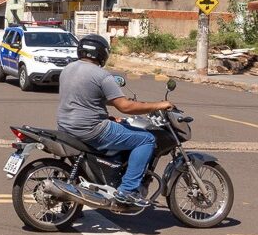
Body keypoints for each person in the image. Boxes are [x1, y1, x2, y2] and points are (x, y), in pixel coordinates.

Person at [56, 34, 173, 208]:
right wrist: (159, 105)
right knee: (147, 139)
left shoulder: (68, 69)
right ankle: (127, 191)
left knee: (119, 126)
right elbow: (125, 107)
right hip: (91, 129)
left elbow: (87, 98)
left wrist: (109, 113)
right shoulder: (102, 75)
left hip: (65, 126)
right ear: (102, 54)